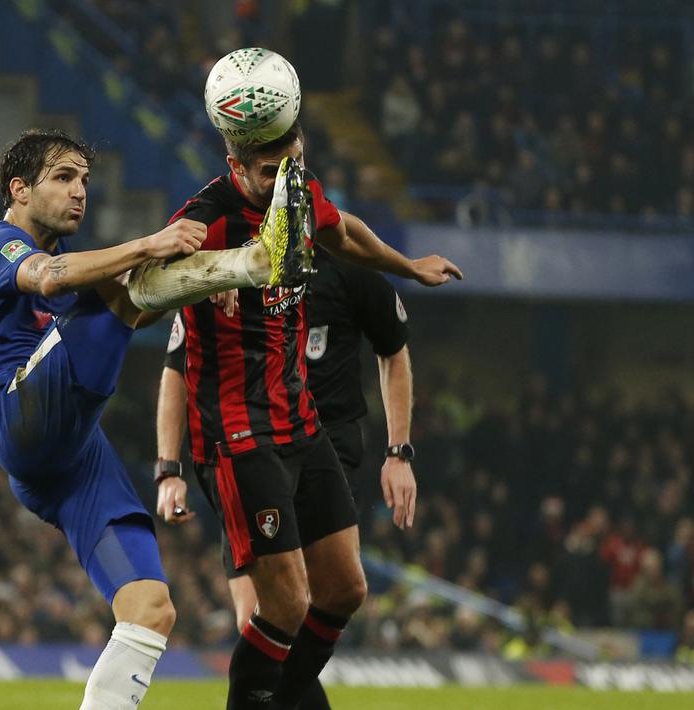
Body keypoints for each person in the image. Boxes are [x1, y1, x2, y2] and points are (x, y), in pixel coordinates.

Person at [0, 128, 312, 709]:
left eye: (85, 181)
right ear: (18, 190)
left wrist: (196, 284)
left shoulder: (72, 266)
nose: (80, 192)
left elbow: (131, 309)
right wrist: (164, 249)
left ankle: (244, 264)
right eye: (64, 178)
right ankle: (253, 260)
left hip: (69, 456)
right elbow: (55, 279)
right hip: (16, 410)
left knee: (150, 608)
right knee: (112, 290)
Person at [144, 122, 460, 708]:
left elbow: (348, 234)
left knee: (344, 589)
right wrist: (202, 278)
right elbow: (142, 298)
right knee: (280, 605)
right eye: (271, 170)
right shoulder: (204, 219)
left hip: (302, 424)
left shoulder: (299, 194)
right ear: (236, 166)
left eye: (294, 163)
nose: (285, 178)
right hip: (240, 436)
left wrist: (408, 266)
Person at [156, 241, 417, 708]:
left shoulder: (346, 269)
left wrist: (399, 452)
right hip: (246, 446)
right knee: (263, 614)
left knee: (328, 594)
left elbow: (394, 349)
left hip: (325, 447)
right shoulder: (228, 264)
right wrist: (167, 468)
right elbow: (177, 369)